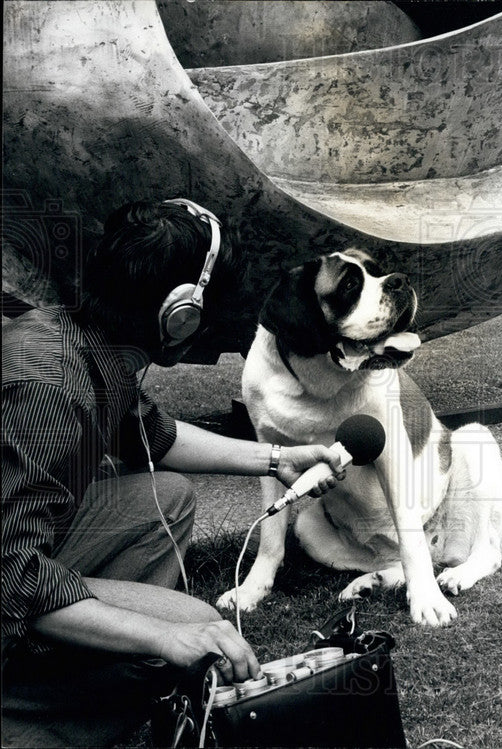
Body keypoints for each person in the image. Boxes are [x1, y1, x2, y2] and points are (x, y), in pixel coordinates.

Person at [1, 199, 345, 747]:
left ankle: (77, 658)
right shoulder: (49, 392)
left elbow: (155, 436)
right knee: (187, 632)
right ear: (179, 314)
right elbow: (9, 578)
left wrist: (277, 460)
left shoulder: (84, 342)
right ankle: (31, 723)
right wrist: (164, 637)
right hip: (8, 573)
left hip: (21, 552)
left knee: (169, 496)